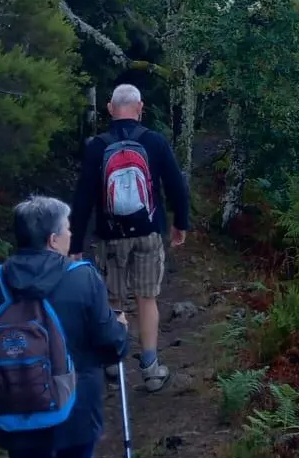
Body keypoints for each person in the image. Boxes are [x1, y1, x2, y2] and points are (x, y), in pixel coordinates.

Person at [0, 196, 129, 458]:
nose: (71, 234)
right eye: (67, 229)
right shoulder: (83, 278)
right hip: (76, 414)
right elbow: (111, 344)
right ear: (52, 240)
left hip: (17, 407)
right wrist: (120, 329)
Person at [69, 83, 191, 393]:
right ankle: (151, 369)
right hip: (148, 232)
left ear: (110, 108)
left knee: (114, 300)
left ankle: (114, 365)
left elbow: (83, 198)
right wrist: (180, 223)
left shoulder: (98, 146)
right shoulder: (154, 141)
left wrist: (75, 243)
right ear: (140, 108)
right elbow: (176, 186)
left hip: (111, 235)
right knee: (146, 298)